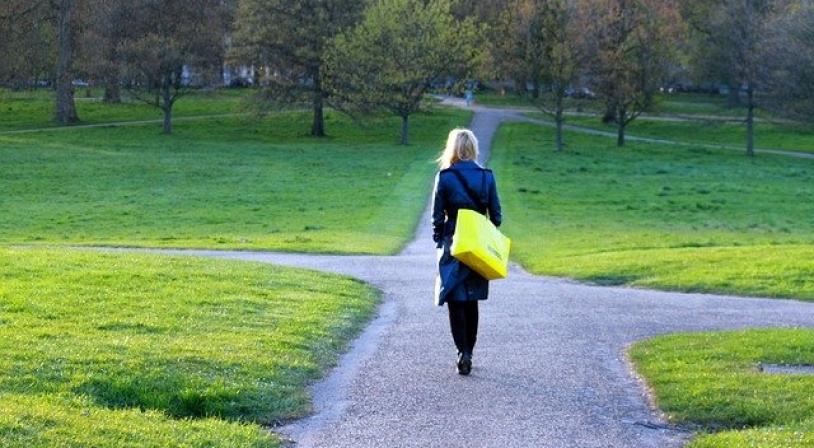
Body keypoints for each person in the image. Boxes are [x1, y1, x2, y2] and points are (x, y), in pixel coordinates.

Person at [431, 128, 502, 375]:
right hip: (478, 244)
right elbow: (497, 217)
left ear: (451, 148)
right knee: (472, 300)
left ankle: (462, 351)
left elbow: (436, 218)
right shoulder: (487, 176)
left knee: (454, 299)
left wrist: (440, 242)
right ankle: (469, 350)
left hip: (453, 243)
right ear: (473, 148)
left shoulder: (445, 176)